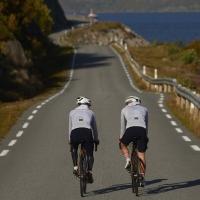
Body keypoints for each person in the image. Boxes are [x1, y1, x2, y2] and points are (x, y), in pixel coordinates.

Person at [69, 96, 99, 183]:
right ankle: (89, 171)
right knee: (89, 153)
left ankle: (75, 167)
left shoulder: (72, 112)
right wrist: (96, 139)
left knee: (74, 148)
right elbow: (95, 128)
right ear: (87, 104)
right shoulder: (91, 112)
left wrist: (69, 139)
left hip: (74, 132)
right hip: (87, 132)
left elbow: (70, 127)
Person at [119, 96, 148, 186]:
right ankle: (142, 177)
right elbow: (146, 124)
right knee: (142, 154)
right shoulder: (144, 109)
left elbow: (123, 126)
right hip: (141, 130)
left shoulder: (124, 110)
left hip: (130, 130)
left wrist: (121, 137)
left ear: (128, 102)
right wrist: (146, 136)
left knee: (123, 144)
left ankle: (128, 159)